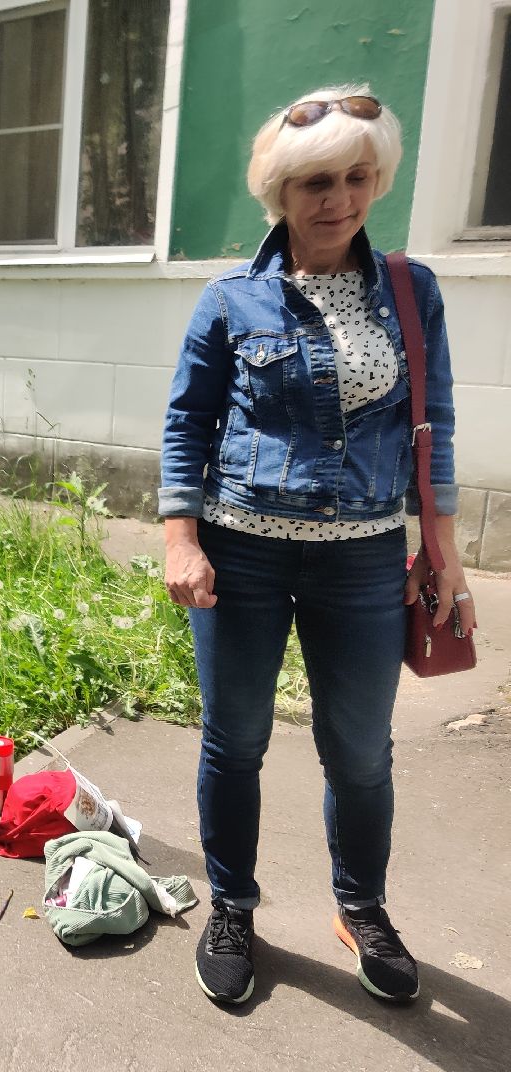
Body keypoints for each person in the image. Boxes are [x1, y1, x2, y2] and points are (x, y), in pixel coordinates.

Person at [160, 86, 473, 1007]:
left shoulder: (412, 292)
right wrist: (183, 538)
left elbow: (435, 420)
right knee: (236, 742)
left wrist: (441, 548)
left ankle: (361, 906)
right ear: (280, 192)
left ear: (374, 181)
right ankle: (233, 905)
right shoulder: (231, 299)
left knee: (360, 750)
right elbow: (187, 422)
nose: (336, 198)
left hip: (365, 561)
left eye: (354, 177)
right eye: (314, 182)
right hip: (243, 553)